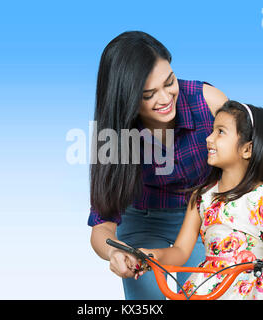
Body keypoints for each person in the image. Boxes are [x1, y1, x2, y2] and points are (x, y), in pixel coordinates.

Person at [88, 31, 228, 300]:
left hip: (201, 217)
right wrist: (115, 252)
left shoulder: (208, 102)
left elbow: (248, 167)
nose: (165, 99)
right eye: (149, 94)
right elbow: (101, 227)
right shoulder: (113, 137)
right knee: (148, 299)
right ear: (126, 100)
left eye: (170, 82)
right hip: (143, 222)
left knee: (206, 292)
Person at [140, 100, 263, 299]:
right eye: (212, 130)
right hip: (208, 285)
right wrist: (154, 256)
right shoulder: (201, 198)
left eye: (220, 132)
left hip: (252, 290)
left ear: (247, 149)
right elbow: (181, 250)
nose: (209, 138)